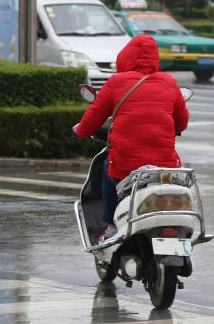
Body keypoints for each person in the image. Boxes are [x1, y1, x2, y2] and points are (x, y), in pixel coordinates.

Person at [73, 35, 189, 242]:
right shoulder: (169, 82)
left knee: (109, 175)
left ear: (125, 57)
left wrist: (80, 130)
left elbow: (93, 117)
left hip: (126, 166)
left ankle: (109, 226)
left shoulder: (116, 82)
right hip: (164, 166)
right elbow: (182, 123)